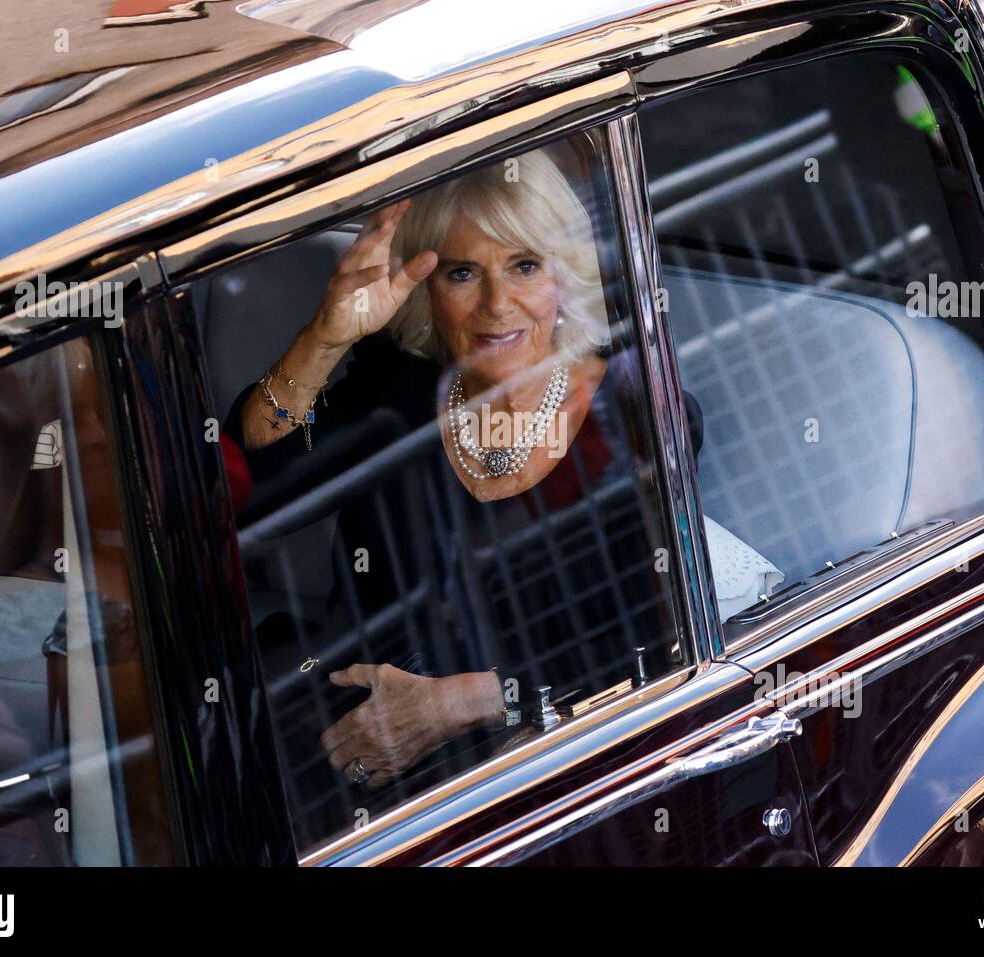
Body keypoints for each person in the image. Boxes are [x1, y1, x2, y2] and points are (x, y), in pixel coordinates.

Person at [227, 149, 778, 810]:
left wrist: (457, 702)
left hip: (545, 767)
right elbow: (259, 476)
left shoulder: (633, 412)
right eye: (462, 272)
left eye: (524, 265)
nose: (496, 303)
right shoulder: (397, 387)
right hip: (348, 740)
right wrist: (325, 336)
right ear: (431, 290)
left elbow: (658, 647)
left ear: (564, 279)